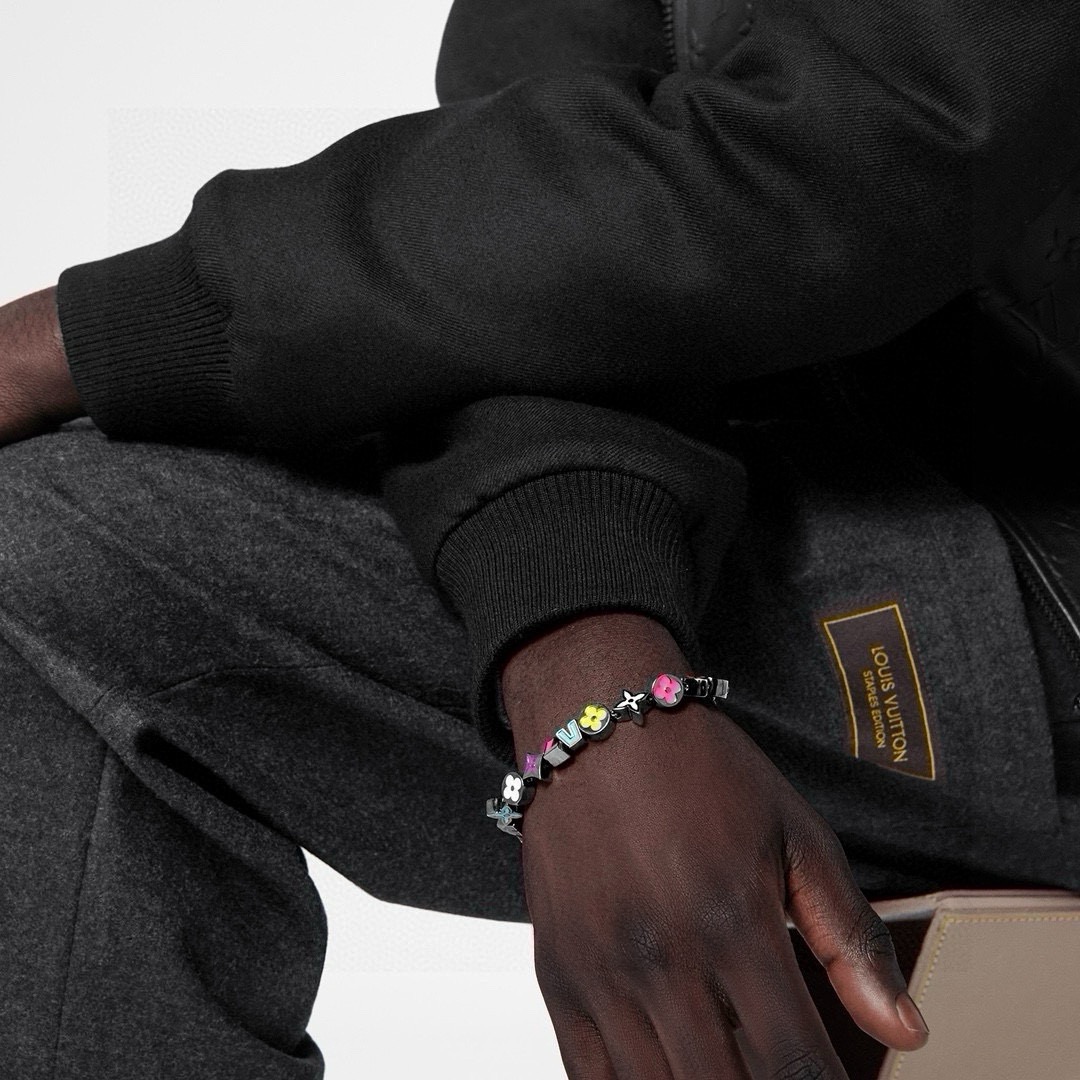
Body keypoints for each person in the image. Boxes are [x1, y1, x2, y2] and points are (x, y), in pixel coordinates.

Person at [2, 0, 1079, 1076]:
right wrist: (584, 641)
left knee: (54, 550)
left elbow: (863, 146)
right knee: (41, 553)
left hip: (1033, 555)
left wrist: (95, 334)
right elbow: (533, 258)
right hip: (903, 501)